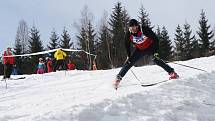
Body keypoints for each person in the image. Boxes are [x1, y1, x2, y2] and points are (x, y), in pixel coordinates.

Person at [113, 19, 179, 89]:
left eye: (135, 27)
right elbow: (127, 44)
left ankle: (172, 73)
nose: (133, 30)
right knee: (129, 62)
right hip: (140, 49)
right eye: (131, 28)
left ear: (137, 26)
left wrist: (155, 52)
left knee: (156, 60)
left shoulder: (144, 29)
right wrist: (128, 56)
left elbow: (156, 39)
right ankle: (118, 78)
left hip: (150, 47)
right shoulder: (128, 34)